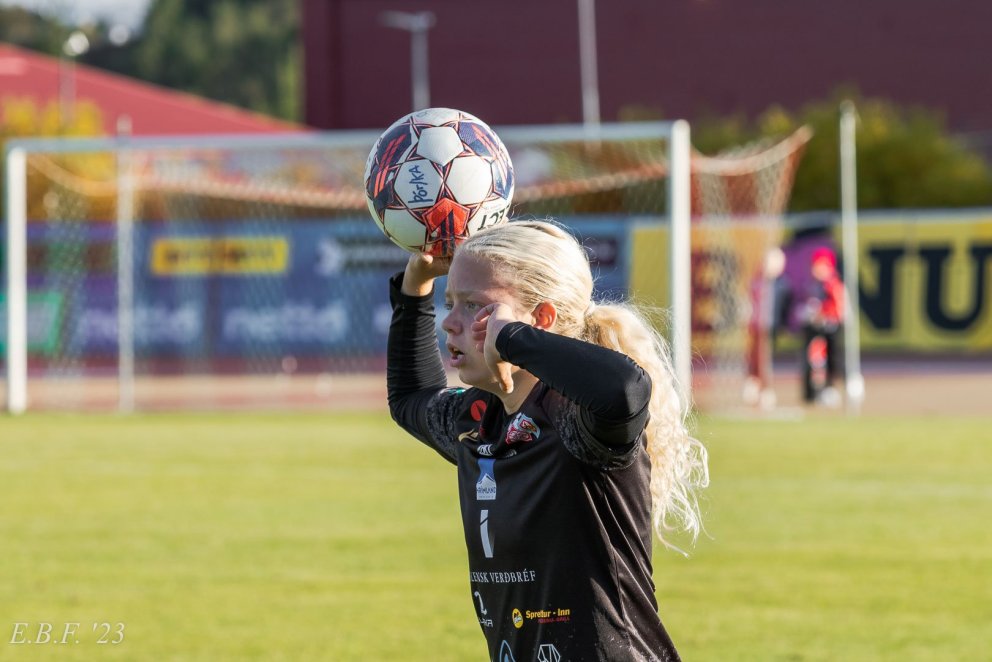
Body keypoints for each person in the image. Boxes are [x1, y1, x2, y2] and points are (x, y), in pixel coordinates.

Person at [387, 220, 709, 661]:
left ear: (540, 319)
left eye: (474, 306)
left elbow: (627, 390)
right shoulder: (478, 422)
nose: (450, 323)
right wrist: (414, 288)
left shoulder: (580, 423)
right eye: (450, 303)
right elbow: (411, 397)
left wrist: (513, 339)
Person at [743, 247, 791, 409]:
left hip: (771, 328)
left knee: (767, 360)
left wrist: (784, 325)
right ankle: (756, 385)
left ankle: (765, 390)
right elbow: (750, 303)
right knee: (755, 357)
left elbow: (784, 308)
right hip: (757, 327)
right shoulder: (756, 282)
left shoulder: (782, 285)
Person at [800, 246, 845, 405]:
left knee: (832, 358)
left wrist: (825, 315)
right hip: (814, 327)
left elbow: (838, 307)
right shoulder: (812, 285)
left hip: (829, 326)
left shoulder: (833, 285)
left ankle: (829, 388)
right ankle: (810, 392)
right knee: (813, 359)